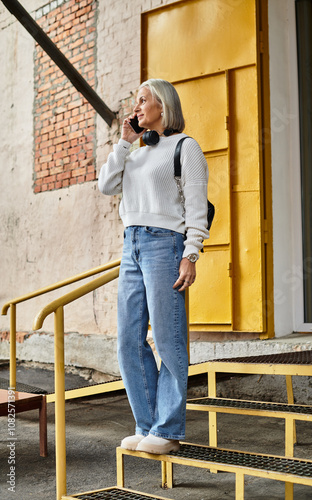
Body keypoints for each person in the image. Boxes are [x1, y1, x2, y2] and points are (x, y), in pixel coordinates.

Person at [98, 79, 209, 454]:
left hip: (166, 245)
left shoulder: (185, 147)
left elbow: (196, 207)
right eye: (136, 101)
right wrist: (124, 142)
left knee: (167, 337)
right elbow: (106, 185)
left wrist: (190, 253)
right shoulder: (134, 150)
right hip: (130, 244)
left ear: (163, 106)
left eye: (143, 100)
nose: (137, 106)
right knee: (129, 340)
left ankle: (169, 429)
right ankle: (146, 425)